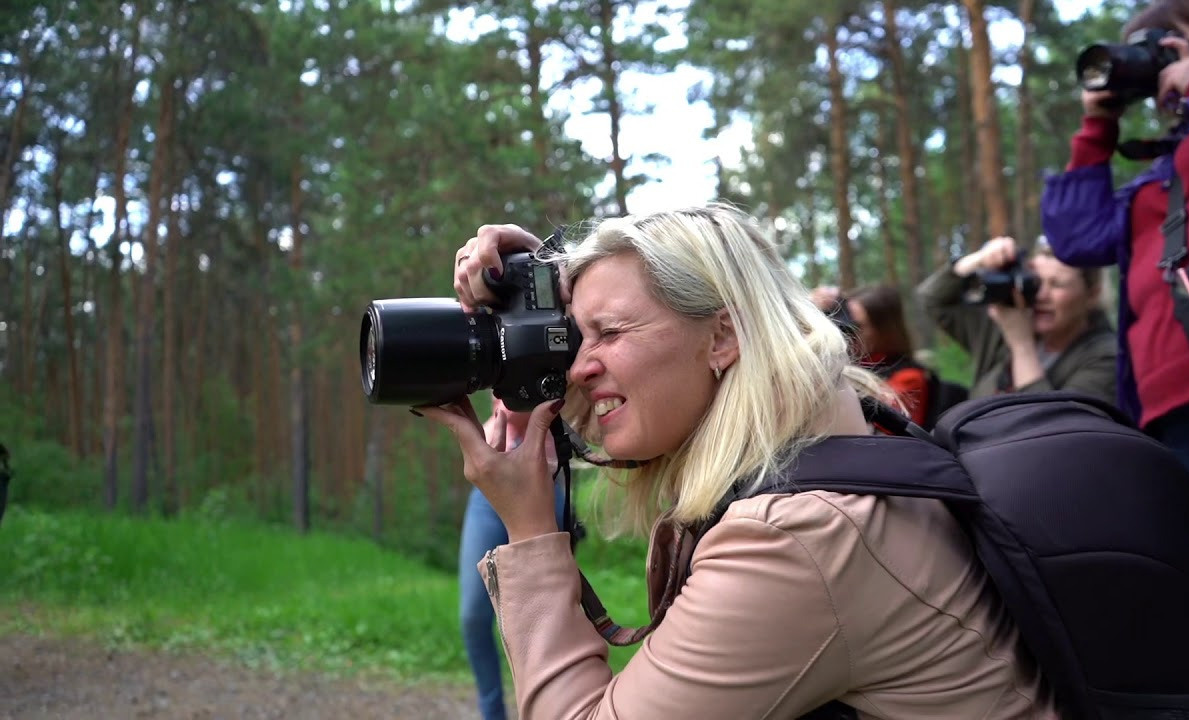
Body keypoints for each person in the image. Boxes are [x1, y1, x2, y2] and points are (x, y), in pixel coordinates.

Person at [422, 204, 1058, 719]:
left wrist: (532, 532)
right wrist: (550, 292)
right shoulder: (831, 441)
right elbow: (641, 387)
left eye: (609, 333)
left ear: (723, 336)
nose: (583, 365)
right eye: (580, 336)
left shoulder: (794, 539)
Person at [1039, 0, 1189, 699]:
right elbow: (1078, 238)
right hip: (1171, 409)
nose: (1155, 58)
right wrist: (1098, 125)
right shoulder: (1169, 165)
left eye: (1168, 41)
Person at [457, 397, 564, 720]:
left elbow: (516, 414)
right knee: (473, 616)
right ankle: (493, 713)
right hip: (488, 493)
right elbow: (507, 413)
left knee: (543, 621)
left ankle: (544, 710)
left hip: (543, 489)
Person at [917, 236, 1117, 402]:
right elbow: (933, 299)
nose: (1041, 295)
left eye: (1057, 285)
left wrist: (1021, 346)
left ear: (1092, 294)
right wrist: (979, 259)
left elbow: (1057, 434)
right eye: (1036, 282)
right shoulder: (1004, 325)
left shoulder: (1107, 358)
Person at [811, 284, 930, 426]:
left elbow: (884, 424)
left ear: (885, 330)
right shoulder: (846, 363)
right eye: (841, 322)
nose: (845, 333)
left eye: (856, 325)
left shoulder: (909, 377)